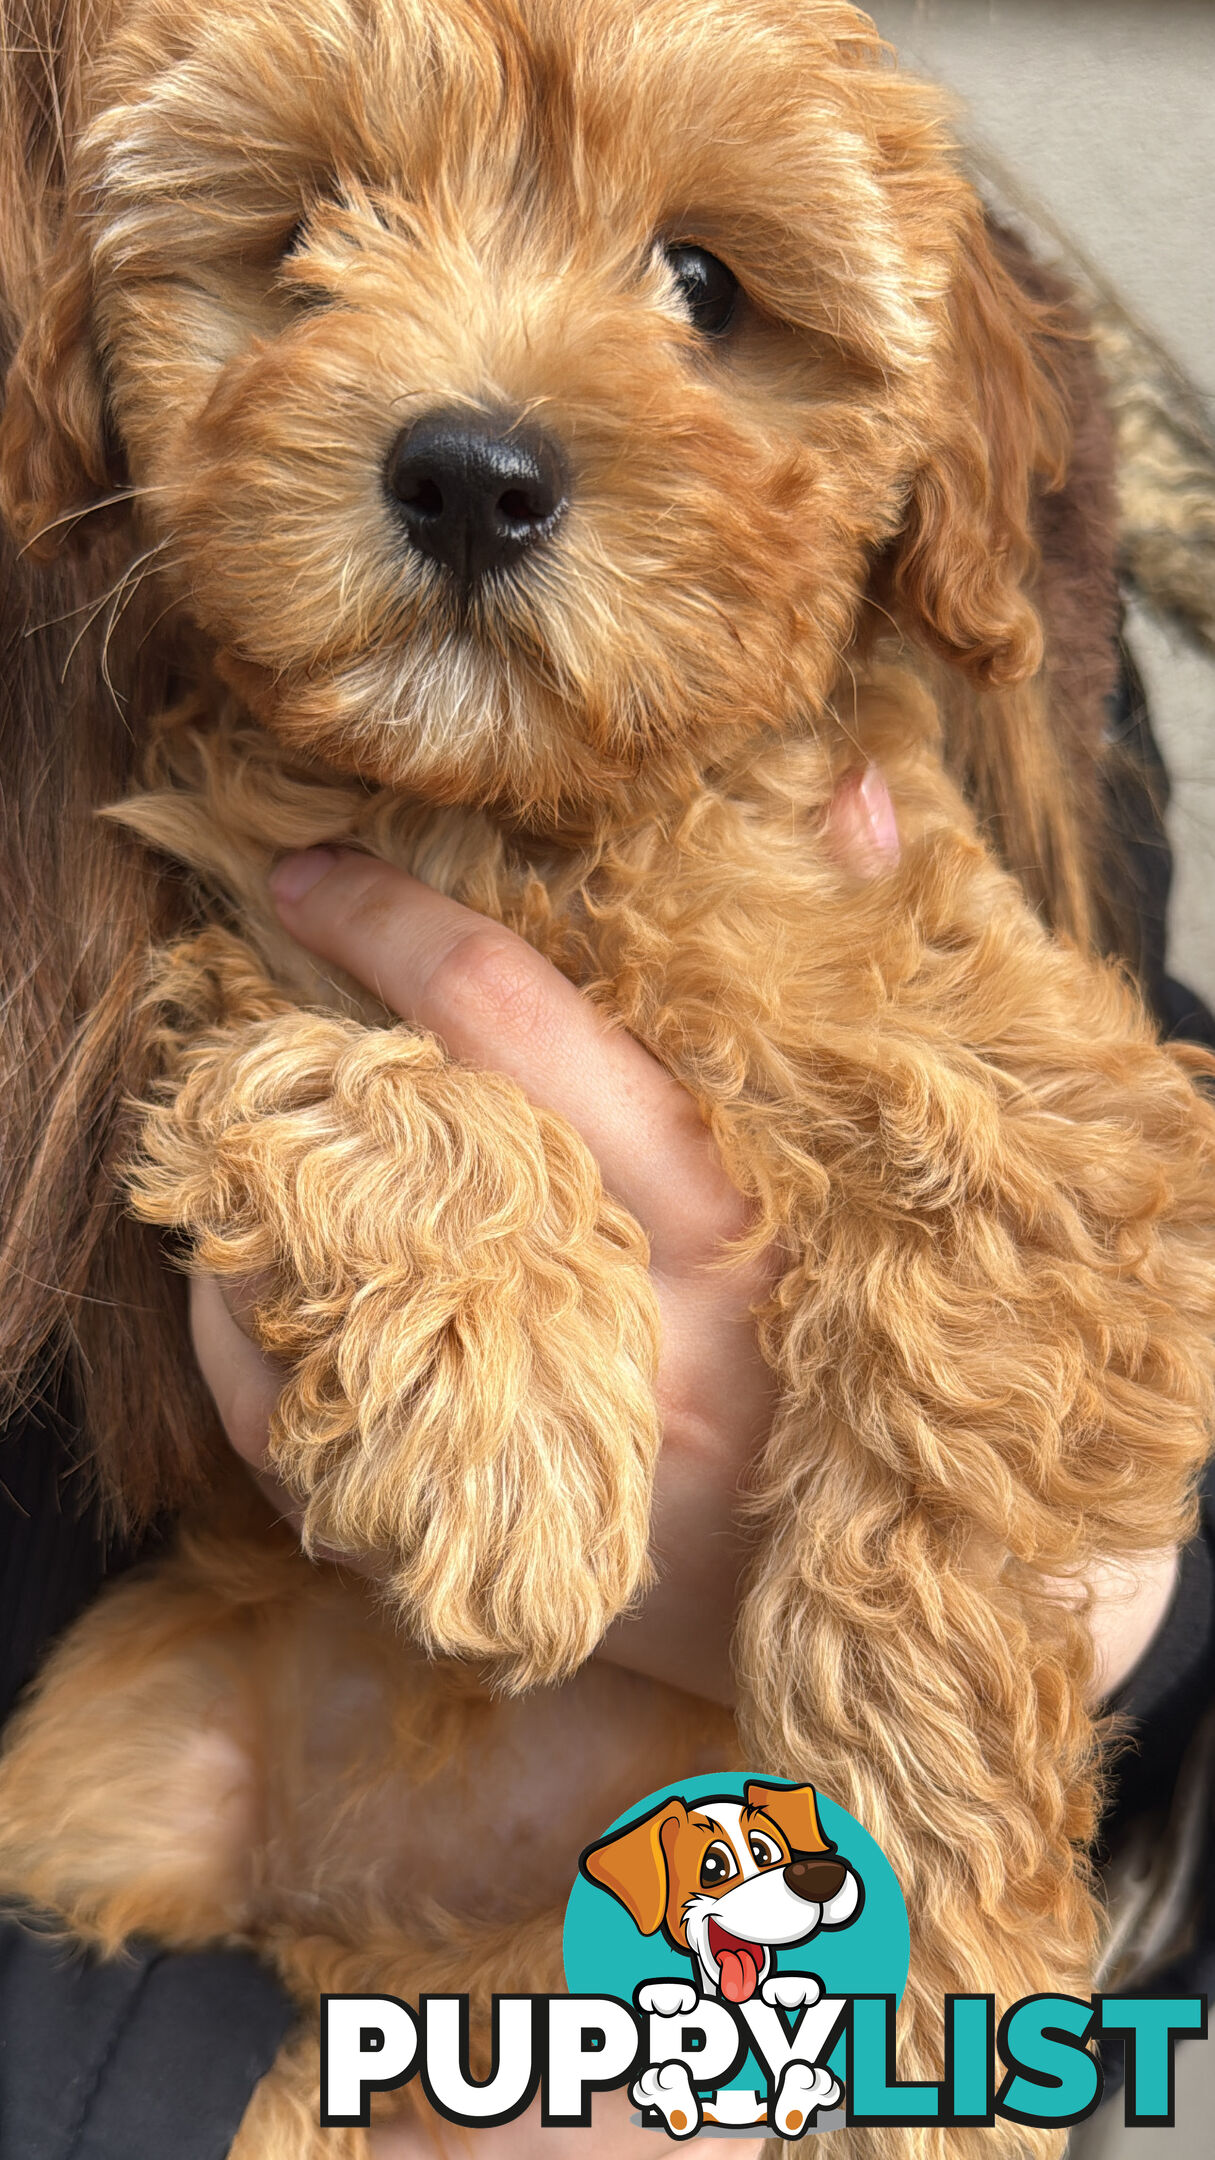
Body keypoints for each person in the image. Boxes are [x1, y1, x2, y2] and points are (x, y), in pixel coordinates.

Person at [0, 756, 1208, 2159]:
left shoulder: (1001, 757)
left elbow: (1129, 1192)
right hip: (206, 1913)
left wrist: (1104, 1610)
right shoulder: (239, 781)